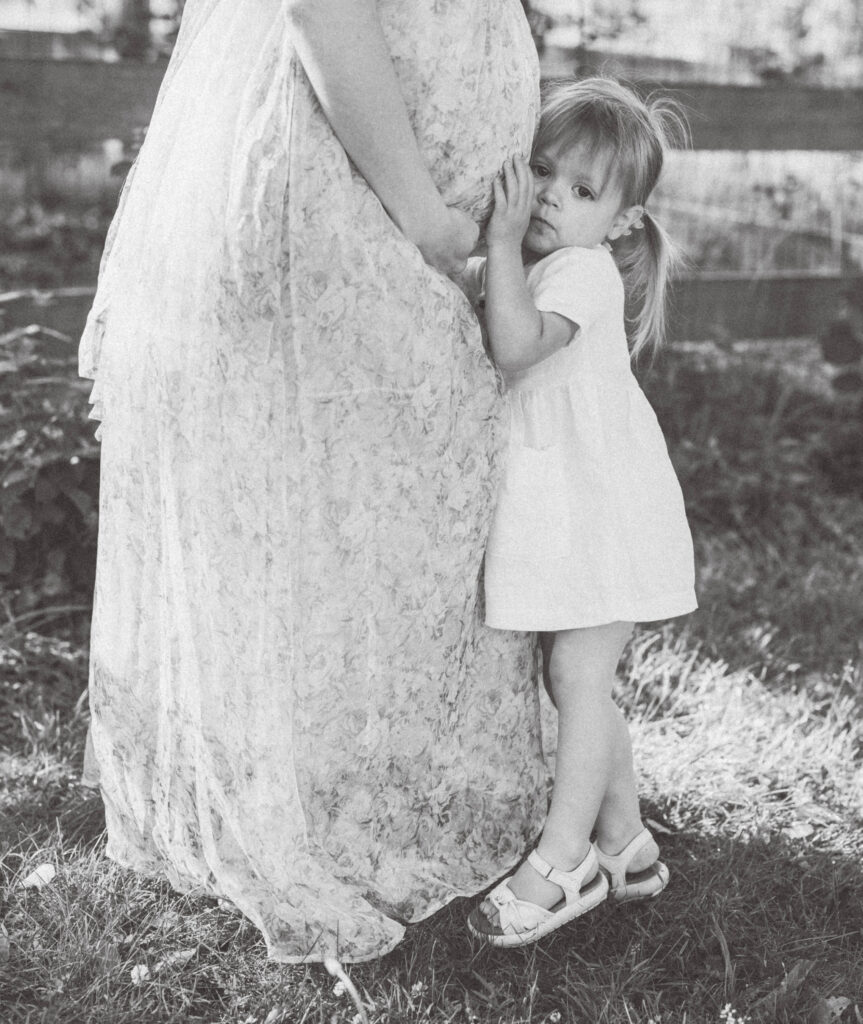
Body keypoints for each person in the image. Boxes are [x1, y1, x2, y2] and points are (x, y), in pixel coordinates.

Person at [79, 0, 549, 963]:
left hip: (394, 215)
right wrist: (422, 213)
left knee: (376, 515)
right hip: (349, 202)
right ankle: (321, 812)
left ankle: (374, 793)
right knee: (326, 518)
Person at [465, 77, 697, 947]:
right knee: (578, 679)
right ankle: (626, 843)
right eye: (542, 173)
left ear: (624, 221)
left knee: (574, 679)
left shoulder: (586, 274)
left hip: (599, 505)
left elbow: (517, 349)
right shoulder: (547, 263)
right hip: (565, 505)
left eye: (583, 191)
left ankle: (563, 866)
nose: (551, 198)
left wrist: (493, 241)